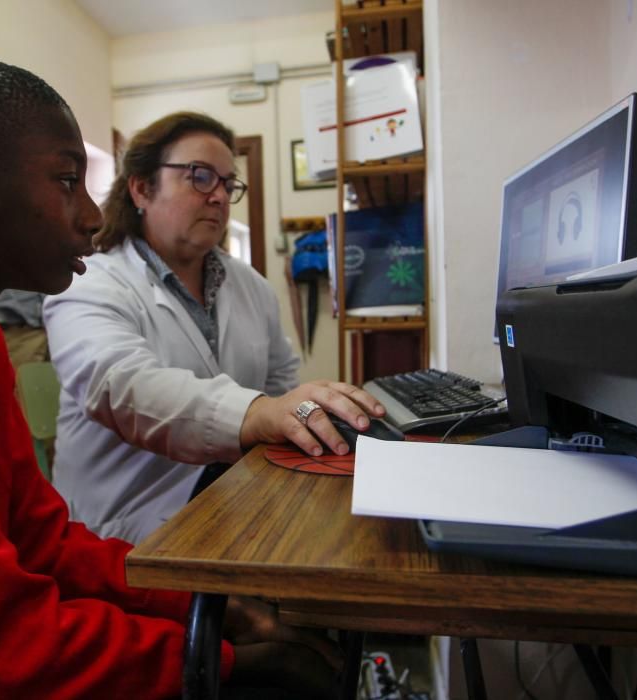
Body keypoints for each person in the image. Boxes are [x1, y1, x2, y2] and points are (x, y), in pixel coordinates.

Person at [0, 56, 339, 699]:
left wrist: (194, 605)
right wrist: (210, 657)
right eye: (65, 181)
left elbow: (38, 541)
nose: (90, 218)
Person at [43, 112, 386, 545]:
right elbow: (121, 387)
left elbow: (281, 384)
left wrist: (300, 415)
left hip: (229, 501)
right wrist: (259, 414)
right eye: (200, 177)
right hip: (122, 525)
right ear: (142, 187)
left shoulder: (251, 286)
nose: (220, 196)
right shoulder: (89, 282)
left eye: (228, 183)